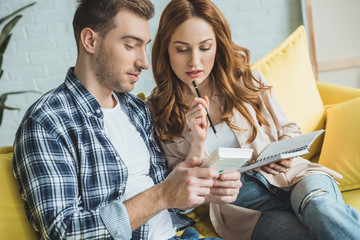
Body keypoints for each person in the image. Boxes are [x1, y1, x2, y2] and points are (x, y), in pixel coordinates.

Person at [12, 0, 241, 239]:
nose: (144, 62)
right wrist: (161, 194)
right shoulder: (48, 121)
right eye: (131, 45)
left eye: (144, 47)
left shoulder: (137, 110)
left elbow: (170, 202)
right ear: (90, 41)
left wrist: (201, 188)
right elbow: (63, 232)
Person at [148, 0, 360, 239]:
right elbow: (181, 192)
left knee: (321, 210)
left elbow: (289, 128)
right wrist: (197, 142)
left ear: (218, 44)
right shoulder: (158, 112)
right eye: (182, 49)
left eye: (205, 47)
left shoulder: (247, 80)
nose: (194, 61)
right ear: (165, 48)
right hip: (243, 209)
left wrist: (284, 154)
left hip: (295, 177)